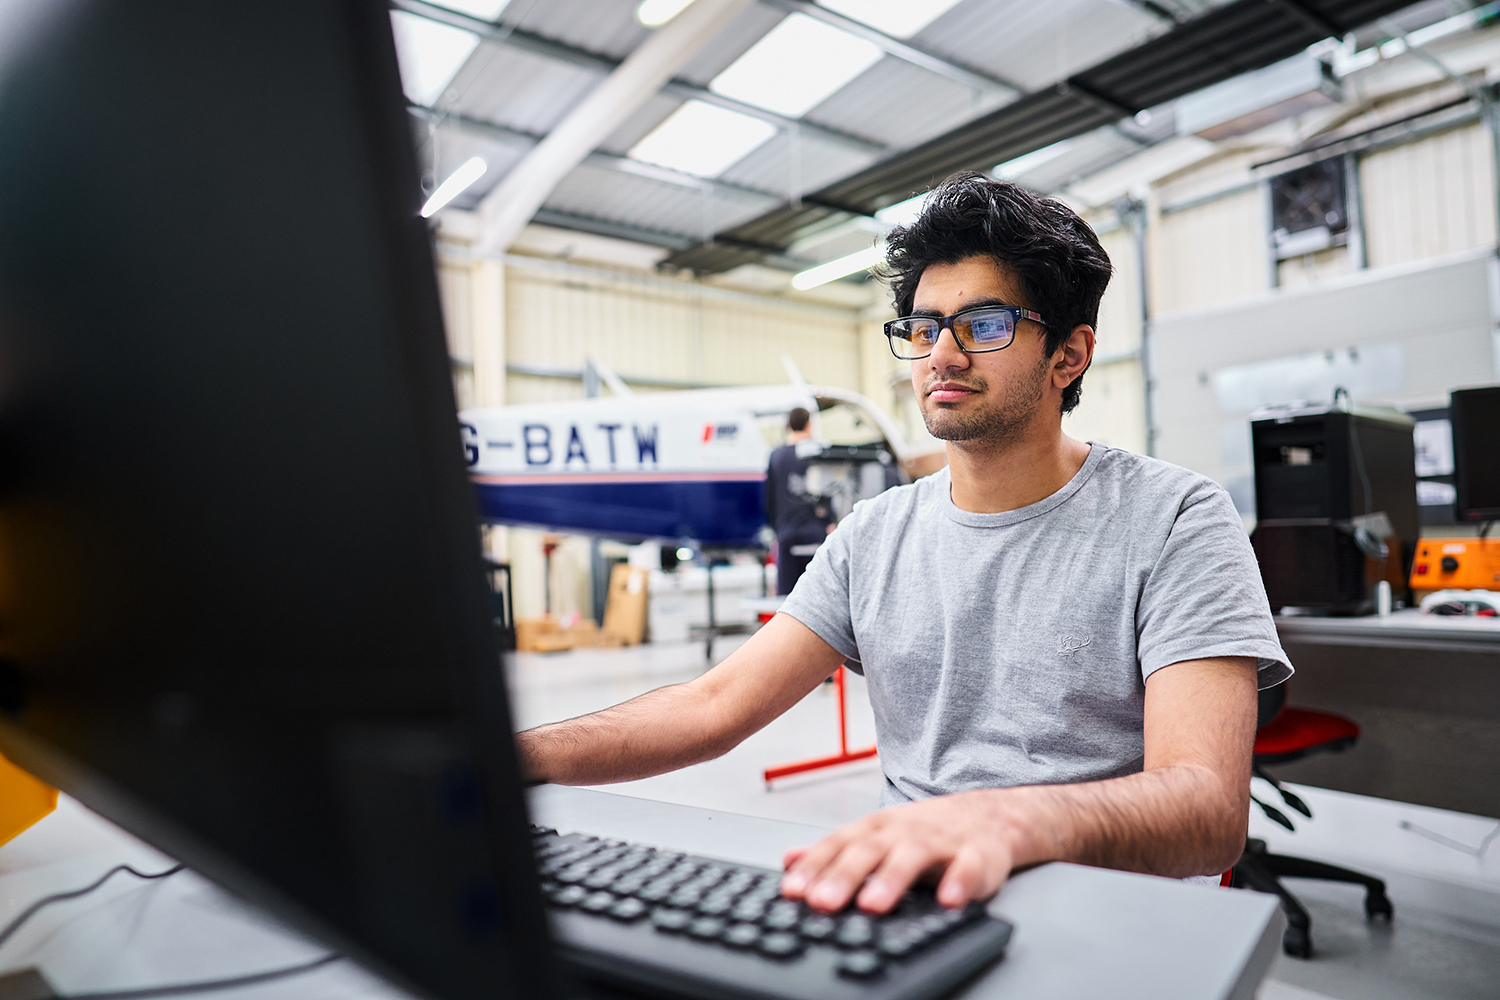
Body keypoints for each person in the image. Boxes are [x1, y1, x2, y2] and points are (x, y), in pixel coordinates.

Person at [517, 172, 1291, 917]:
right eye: (923, 330)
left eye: (983, 325)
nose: (940, 357)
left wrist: (1010, 824)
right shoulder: (873, 536)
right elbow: (714, 705)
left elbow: (1205, 806)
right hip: (924, 909)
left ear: (1069, 354)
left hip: (1116, 919)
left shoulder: (1176, 518)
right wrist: (517, 753)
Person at [763, 407, 833, 596]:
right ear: (809, 424)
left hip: (786, 533)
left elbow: (770, 498)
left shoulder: (776, 455)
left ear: (788, 426)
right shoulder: (817, 453)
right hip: (815, 533)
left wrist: (776, 529)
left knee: (787, 598)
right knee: (818, 595)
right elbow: (828, 493)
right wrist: (829, 522)